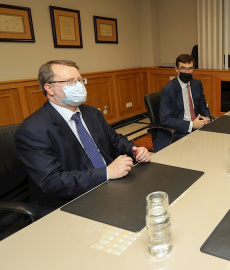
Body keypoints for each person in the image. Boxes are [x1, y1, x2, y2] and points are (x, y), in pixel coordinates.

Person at [15, 60, 151, 216]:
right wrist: (106, 173)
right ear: (49, 88)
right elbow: (52, 181)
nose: (79, 85)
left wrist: (133, 150)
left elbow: (114, 139)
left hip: (113, 185)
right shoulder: (33, 130)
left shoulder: (91, 113)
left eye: (79, 80)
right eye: (70, 81)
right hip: (72, 200)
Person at [154, 54, 211, 151]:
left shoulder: (197, 84)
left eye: (190, 69)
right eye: (183, 68)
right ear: (176, 69)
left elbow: (203, 106)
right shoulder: (168, 89)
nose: (187, 72)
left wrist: (206, 117)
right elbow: (165, 119)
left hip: (198, 126)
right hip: (179, 130)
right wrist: (192, 125)